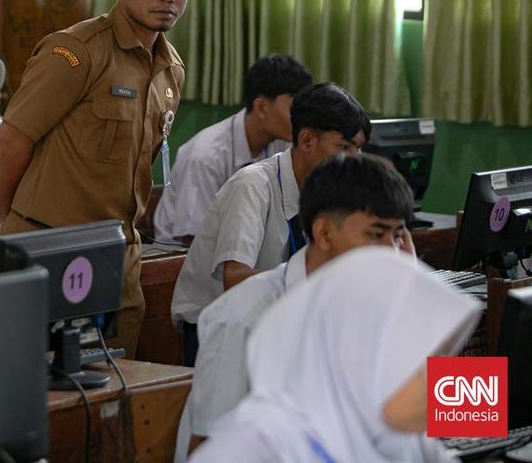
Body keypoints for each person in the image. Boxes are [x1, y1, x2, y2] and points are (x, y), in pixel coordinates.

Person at [0, 0, 193, 356]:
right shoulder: (76, 51)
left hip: (118, 258)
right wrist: (16, 222)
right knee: (39, 396)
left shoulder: (171, 69)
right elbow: (11, 141)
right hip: (46, 250)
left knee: (115, 395)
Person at [178, 154, 415, 458]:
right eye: (375, 234)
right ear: (324, 233)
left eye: (397, 237)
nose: (391, 253)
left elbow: (426, 420)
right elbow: (208, 449)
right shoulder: (244, 319)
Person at [189, 246, 481, 463]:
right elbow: (203, 439)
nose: (443, 382)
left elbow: (481, 410)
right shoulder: (259, 444)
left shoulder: (400, 434)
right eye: (422, 365)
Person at [170, 82, 370, 366]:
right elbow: (235, 278)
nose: (354, 160)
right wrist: (313, 282)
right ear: (307, 140)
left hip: (275, 325)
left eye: (359, 149)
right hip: (219, 333)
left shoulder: (327, 193)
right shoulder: (253, 185)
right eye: (345, 147)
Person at [153, 54, 313, 246]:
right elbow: (192, 237)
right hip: (180, 260)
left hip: (245, 249)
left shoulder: (285, 143)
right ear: (261, 107)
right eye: (295, 109)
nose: (303, 119)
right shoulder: (206, 156)